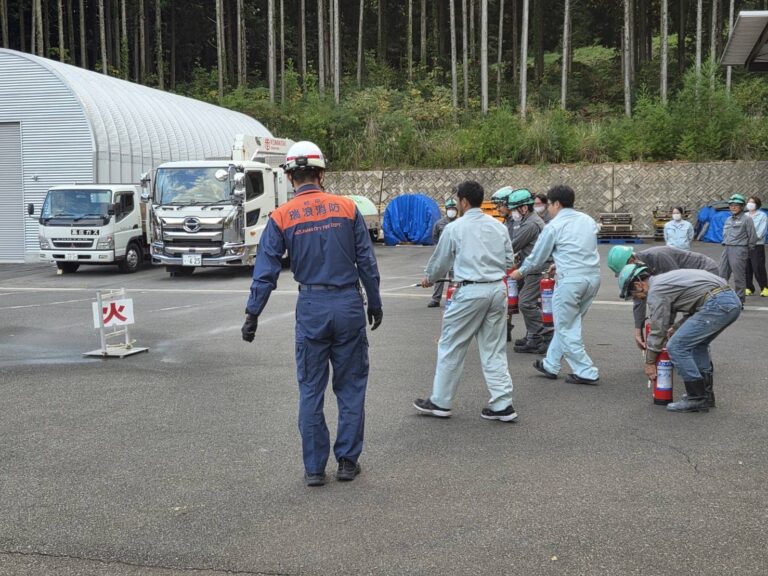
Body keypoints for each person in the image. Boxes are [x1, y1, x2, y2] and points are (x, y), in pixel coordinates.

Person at [241, 141, 383, 487]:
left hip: (311, 307)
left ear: (291, 178)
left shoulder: (281, 217)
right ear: (321, 174)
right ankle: (347, 462)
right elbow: (366, 262)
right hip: (348, 305)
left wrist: (252, 313)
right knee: (350, 387)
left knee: (310, 389)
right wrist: (375, 303)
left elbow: (266, 271)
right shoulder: (347, 209)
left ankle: (315, 469)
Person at [414, 180, 517, 422]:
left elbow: (440, 262)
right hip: (496, 290)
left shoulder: (455, 228)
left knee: (451, 345)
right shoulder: (499, 227)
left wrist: (429, 278)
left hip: (469, 292)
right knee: (494, 349)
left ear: (463, 201)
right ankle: (503, 404)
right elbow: (509, 261)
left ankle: (441, 401)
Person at [618, 264, 741, 412]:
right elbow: (696, 305)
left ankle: (696, 398)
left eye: (633, 294)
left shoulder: (656, 290)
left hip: (717, 304)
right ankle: (705, 396)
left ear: (638, 284)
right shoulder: (664, 281)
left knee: (676, 347)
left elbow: (658, 328)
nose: (636, 298)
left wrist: (650, 362)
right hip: (729, 301)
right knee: (698, 345)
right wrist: (676, 328)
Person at [510, 185, 601, 385]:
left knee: (566, 327)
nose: (548, 208)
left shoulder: (554, 225)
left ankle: (586, 370)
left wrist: (521, 271)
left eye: (549, 204)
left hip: (570, 281)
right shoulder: (587, 220)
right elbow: (579, 245)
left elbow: (538, 256)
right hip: (592, 277)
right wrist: (558, 264)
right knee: (568, 324)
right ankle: (550, 364)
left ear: (557, 204)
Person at [606, 245, 719, 349]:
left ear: (631, 261)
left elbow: (674, 293)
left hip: (705, 271)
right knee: (674, 325)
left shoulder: (657, 257)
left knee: (693, 319)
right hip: (688, 280)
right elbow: (639, 300)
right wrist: (638, 331)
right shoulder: (636, 272)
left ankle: (700, 358)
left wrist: (664, 328)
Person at [504, 189, 552, 354]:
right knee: (524, 301)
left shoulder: (530, 224)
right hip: (533, 267)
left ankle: (548, 334)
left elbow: (512, 246)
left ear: (524, 208)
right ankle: (534, 337)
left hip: (537, 269)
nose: (512, 213)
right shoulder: (530, 220)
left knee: (525, 302)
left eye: (514, 209)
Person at [718, 193, 757, 305]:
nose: (733, 207)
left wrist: (746, 250)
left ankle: (740, 300)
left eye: (736, 205)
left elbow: (752, 237)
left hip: (739, 249)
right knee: (722, 275)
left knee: (739, 277)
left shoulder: (747, 220)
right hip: (727, 248)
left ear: (742, 206)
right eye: (731, 205)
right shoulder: (728, 219)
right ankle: (723, 298)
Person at [427, 198, 459, 308]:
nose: (451, 211)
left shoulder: (460, 223)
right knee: (439, 277)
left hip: (456, 255)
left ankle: (453, 298)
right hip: (443, 254)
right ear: (446, 210)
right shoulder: (439, 223)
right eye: (449, 209)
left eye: (453, 209)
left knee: (453, 278)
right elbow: (435, 237)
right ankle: (435, 299)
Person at [745, 196, 768, 297]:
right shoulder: (744, 215)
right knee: (746, 267)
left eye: (752, 202)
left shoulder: (762, 216)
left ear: (757, 204)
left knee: (758, 267)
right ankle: (749, 287)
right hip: (744, 245)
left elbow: (761, 232)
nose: (750, 204)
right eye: (749, 202)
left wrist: (750, 238)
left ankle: (765, 287)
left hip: (757, 245)